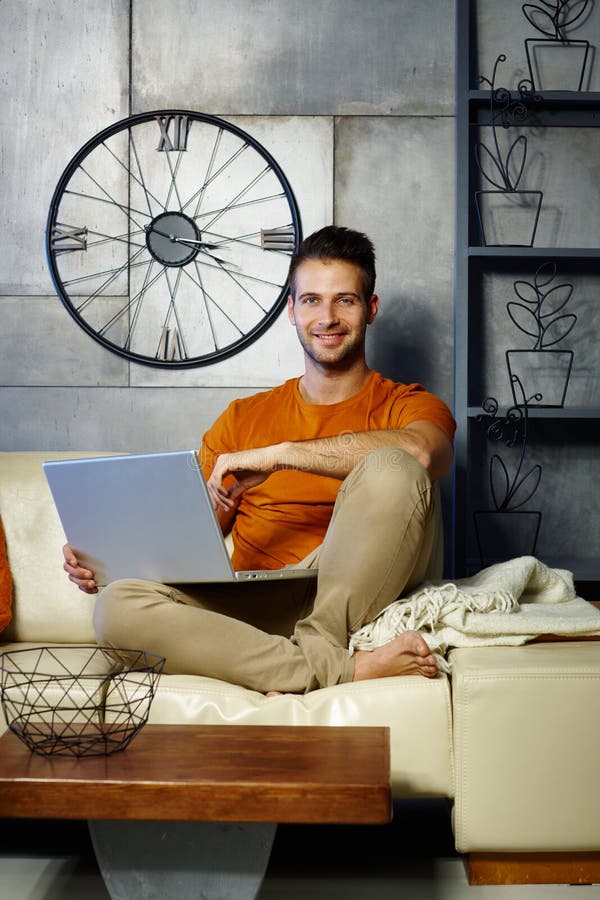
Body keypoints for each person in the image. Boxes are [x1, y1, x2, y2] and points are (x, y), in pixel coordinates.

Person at [63, 226, 456, 695]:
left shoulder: (409, 405)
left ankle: (315, 648)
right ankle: (333, 669)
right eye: (310, 300)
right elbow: (191, 539)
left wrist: (284, 456)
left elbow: (423, 452)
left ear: (370, 309)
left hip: (353, 595)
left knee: (394, 466)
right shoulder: (242, 418)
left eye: (344, 300)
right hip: (257, 600)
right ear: (291, 310)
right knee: (116, 607)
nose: (326, 317)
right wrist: (109, 556)